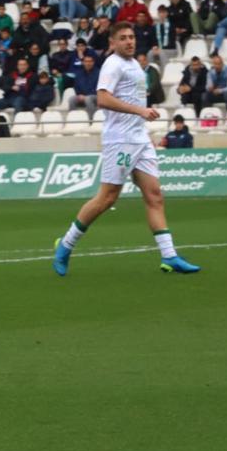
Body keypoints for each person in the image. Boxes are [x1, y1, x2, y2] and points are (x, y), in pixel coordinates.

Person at [53, 22, 201, 276]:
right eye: (123, 38)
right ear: (112, 42)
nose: (129, 41)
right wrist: (140, 111)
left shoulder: (133, 64)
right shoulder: (113, 64)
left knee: (154, 195)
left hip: (139, 138)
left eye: (132, 37)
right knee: (107, 198)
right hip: (119, 139)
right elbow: (102, 98)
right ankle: (65, 245)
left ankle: (169, 255)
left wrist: (141, 119)